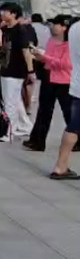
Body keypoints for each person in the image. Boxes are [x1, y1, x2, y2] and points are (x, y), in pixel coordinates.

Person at [25, 15, 72, 152]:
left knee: (68, 112)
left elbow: (66, 64)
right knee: (43, 111)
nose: (52, 27)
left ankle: (76, 138)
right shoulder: (51, 41)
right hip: (49, 77)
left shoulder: (70, 44)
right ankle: (38, 140)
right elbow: (50, 61)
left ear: (64, 27)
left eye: (55, 24)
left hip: (64, 80)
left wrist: (45, 57)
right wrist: (40, 57)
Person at [0, 2, 35, 138]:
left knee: (9, 103)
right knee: (16, 101)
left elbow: (26, 51)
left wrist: (31, 72)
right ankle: (26, 125)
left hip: (15, 71)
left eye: (5, 12)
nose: (2, 14)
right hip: (6, 69)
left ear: (13, 14)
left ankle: (9, 131)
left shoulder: (21, 31)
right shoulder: (6, 29)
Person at [49, 18, 80, 180]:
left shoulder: (75, 27)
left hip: (76, 85)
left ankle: (61, 165)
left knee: (73, 126)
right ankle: (60, 166)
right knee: (74, 126)